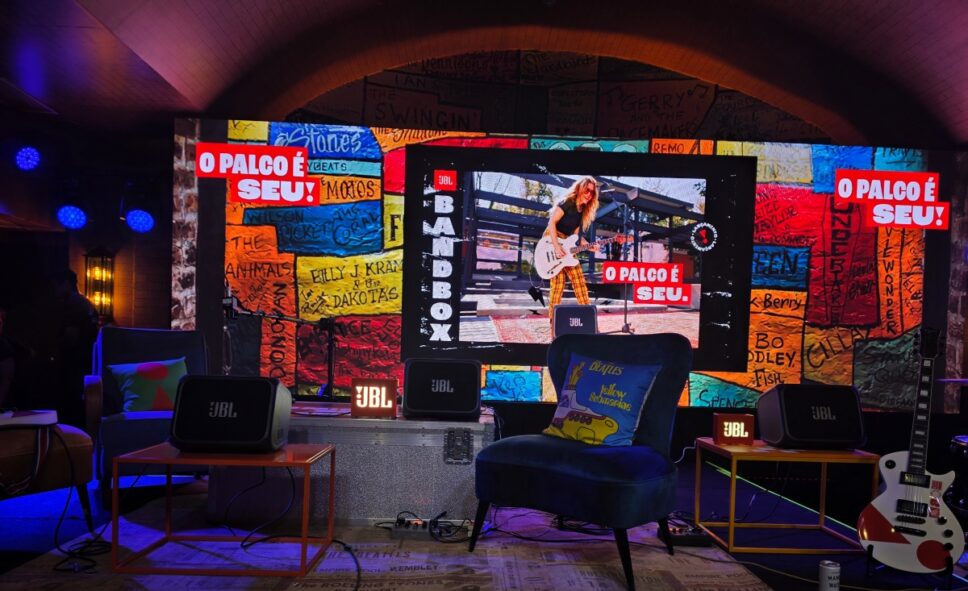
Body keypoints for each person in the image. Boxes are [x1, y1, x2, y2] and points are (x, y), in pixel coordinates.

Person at [544, 176, 601, 326]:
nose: (589, 194)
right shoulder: (567, 203)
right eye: (587, 190)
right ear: (580, 188)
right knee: (558, 284)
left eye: (592, 192)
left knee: (579, 281)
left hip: (567, 244)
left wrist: (589, 245)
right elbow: (551, 223)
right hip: (552, 240)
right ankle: (553, 322)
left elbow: (575, 237)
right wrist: (556, 247)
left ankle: (589, 319)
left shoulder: (583, 212)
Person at [50, 269, 99, 426]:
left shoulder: (74, 305)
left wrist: (55, 350)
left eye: (56, 286)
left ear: (65, 284)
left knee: (70, 405)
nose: (54, 291)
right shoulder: (86, 303)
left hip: (74, 363)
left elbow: (72, 337)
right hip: (85, 361)